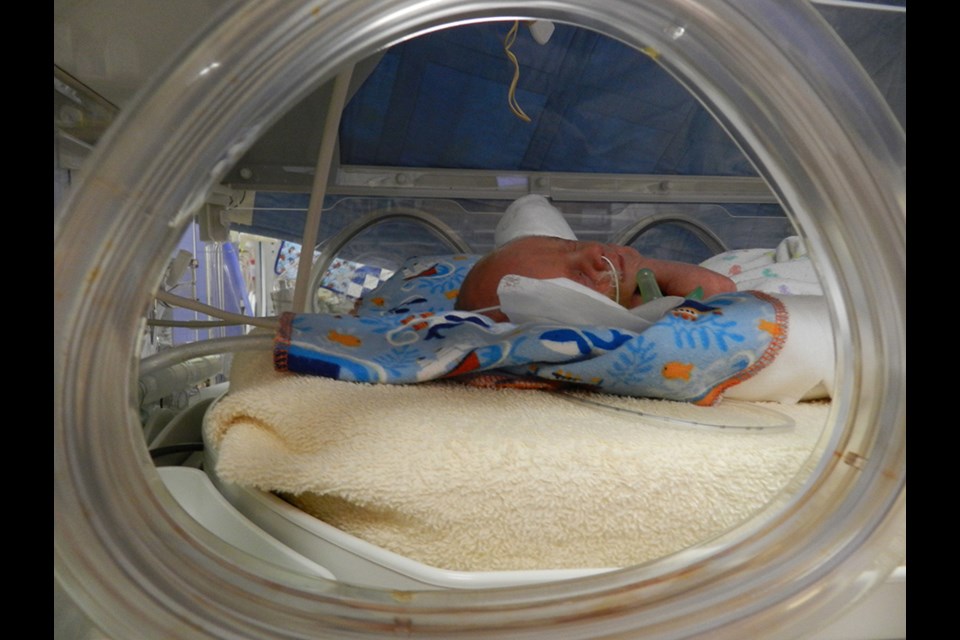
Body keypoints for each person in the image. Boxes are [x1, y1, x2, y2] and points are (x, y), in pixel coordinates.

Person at [455, 195, 735, 322]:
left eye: (569, 245)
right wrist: (640, 268)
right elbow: (718, 290)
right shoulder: (639, 310)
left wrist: (639, 269)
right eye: (580, 276)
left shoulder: (636, 290)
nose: (592, 252)